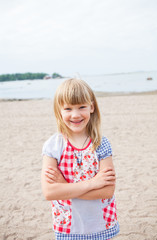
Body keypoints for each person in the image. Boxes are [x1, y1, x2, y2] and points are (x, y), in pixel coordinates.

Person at [41, 78, 119, 240]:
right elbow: (50, 192)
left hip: (100, 224)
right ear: (59, 111)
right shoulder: (53, 146)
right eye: (68, 108)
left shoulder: (101, 144)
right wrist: (91, 183)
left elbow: (106, 191)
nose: (75, 115)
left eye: (81, 107)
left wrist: (65, 187)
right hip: (68, 226)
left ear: (91, 107)